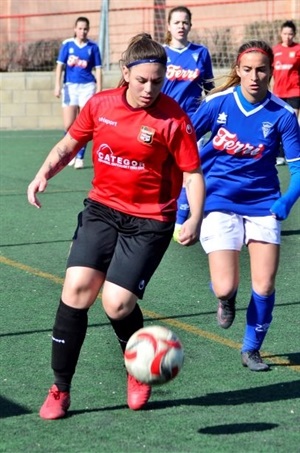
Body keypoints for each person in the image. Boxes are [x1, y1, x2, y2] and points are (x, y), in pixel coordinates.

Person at [27, 33, 205, 419]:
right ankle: (60, 388)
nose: (150, 88)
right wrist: (44, 173)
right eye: (142, 80)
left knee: (117, 303)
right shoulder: (100, 104)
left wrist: (194, 216)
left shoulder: (174, 118)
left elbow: (192, 173)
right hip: (102, 210)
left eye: (158, 81)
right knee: (76, 291)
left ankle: (138, 370)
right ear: (126, 73)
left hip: (150, 221)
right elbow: (69, 144)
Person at [191, 40, 300, 372]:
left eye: (262, 70)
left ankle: (252, 349)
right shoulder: (217, 104)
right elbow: (184, 148)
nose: (255, 76)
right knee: (226, 285)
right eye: (248, 69)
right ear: (238, 70)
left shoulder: (283, 114)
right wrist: (185, 203)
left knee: (264, 284)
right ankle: (226, 298)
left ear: (271, 72)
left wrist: (286, 199)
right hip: (219, 201)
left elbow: (297, 169)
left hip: (264, 203)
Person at [161, 6, 214, 240]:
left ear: (190, 26)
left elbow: (210, 88)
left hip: (193, 122)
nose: (181, 26)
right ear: (169, 26)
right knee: (162, 170)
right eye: (177, 22)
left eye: (185, 22)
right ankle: (160, 213)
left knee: (189, 171)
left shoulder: (201, 53)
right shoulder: (160, 52)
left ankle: (180, 221)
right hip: (163, 120)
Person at [54, 16, 102, 169]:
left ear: (88, 30)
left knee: (84, 123)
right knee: (69, 124)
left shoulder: (93, 47)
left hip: (87, 87)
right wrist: (57, 85)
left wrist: (99, 88)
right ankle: (69, 153)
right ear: (75, 29)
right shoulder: (67, 45)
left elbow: (99, 69)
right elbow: (60, 66)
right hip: (70, 87)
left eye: (85, 28)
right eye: (80, 28)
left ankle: (80, 156)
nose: (83, 31)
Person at [272, 20, 300, 165]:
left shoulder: (298, 50)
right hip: (278, 93)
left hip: (295, 92)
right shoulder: (275, 50)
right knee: (278, 124)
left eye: (290, 34)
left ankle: (293, 154)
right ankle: (279, 154)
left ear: (294, 35)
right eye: (285, 34)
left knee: (291, 123)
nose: (287, 37)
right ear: (280, 34)